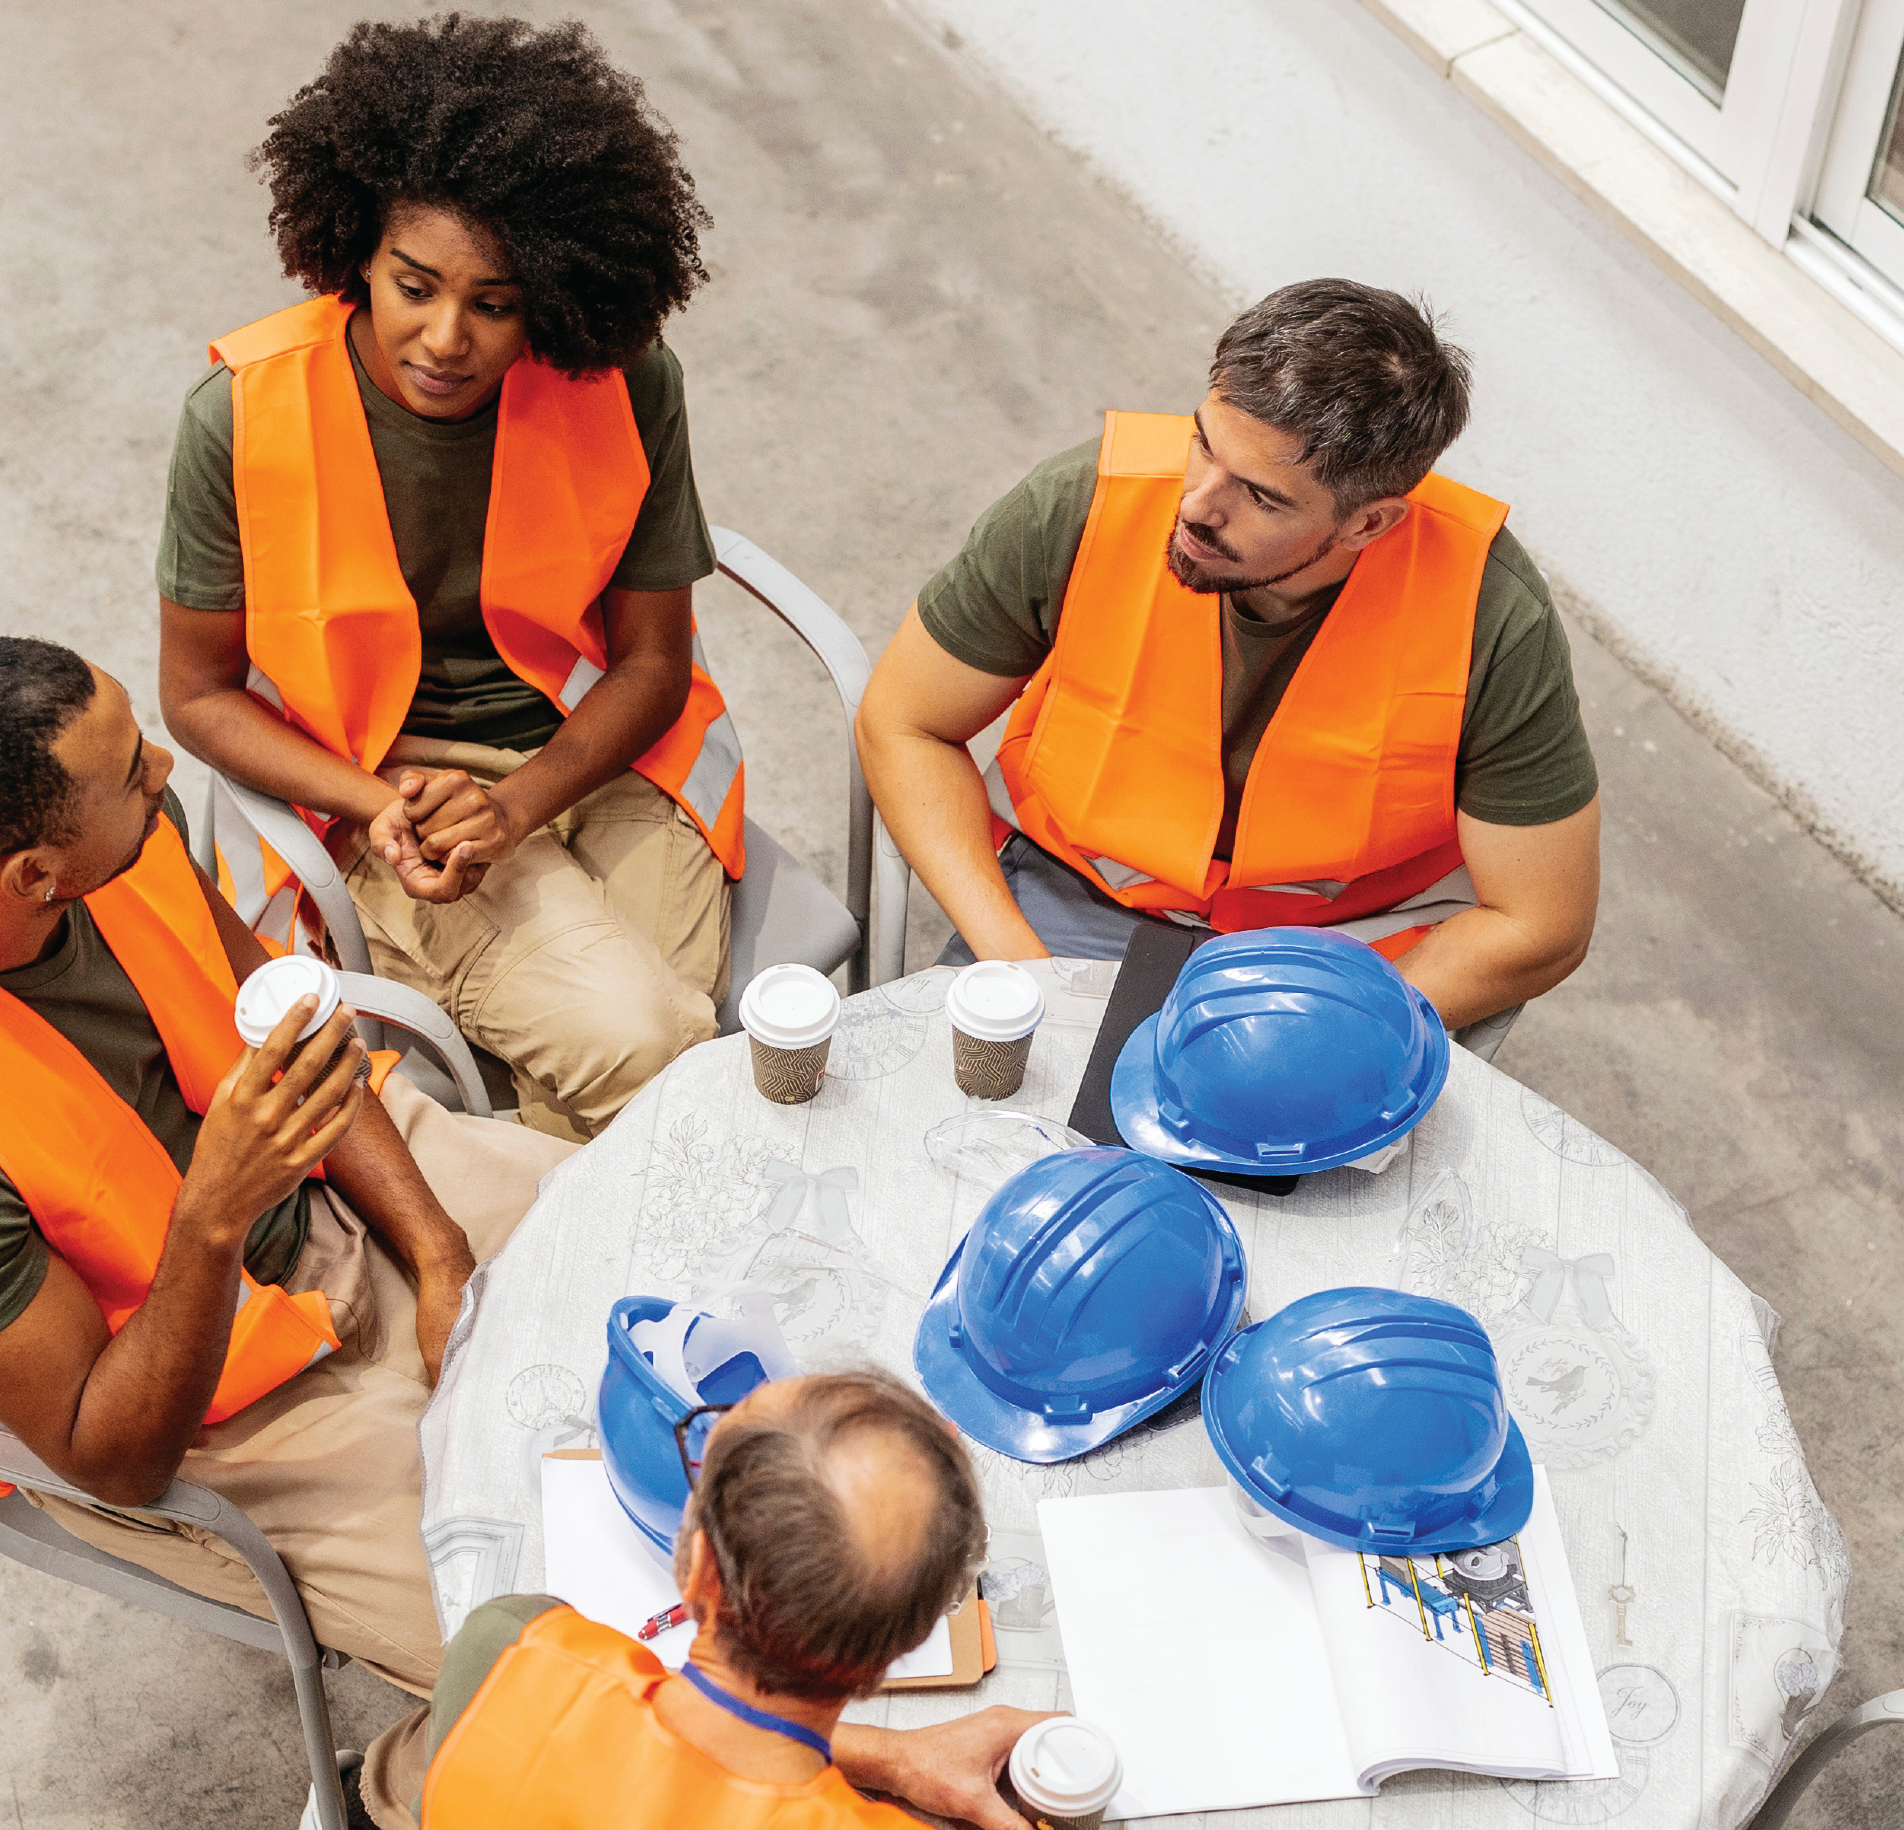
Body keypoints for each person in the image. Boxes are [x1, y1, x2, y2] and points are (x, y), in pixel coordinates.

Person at [0, 635, 574, 1830]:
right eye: (136, 770)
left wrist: (440, 1246)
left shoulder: (110, 829)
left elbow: (263, 1002)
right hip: (218, 1405)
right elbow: (109, 1453)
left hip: (333, 1172)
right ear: (34, 875)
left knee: (695, 1273)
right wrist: (214, 1214)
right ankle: (386, 1802)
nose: (167, 766)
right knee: (568, 1633)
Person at [162, 16, 739, 1139]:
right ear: (355, 255)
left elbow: (654, 660)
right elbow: (196, 695)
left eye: (496, 302)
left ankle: (529, 1281)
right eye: (413, 285)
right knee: (653, 1049)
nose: (444, 338)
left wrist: (518, 804)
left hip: (604, 757)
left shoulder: (622, 380)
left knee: (648, 1069)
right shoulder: (243, 413)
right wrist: (390, 807)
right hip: (393, 788)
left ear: (559, 295)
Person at [854, 279, 1601, 1033]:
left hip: (1345, 953)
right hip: (1079, 898)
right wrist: (1023, 969)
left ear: (1367, 524)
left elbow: (1540, 924)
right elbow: (905, 724)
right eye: (1202, 444)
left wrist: (1334, 1035)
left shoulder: (1492, 617)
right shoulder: (1077, 506)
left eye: (1261, 497)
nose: (1196, 505)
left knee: (1284, 1150)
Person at [396, 1371, 1148, 1830]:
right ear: (899, 1652)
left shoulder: (508, 1647)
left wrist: (892, 1764)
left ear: (692, 1575)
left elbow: (703, 1732)